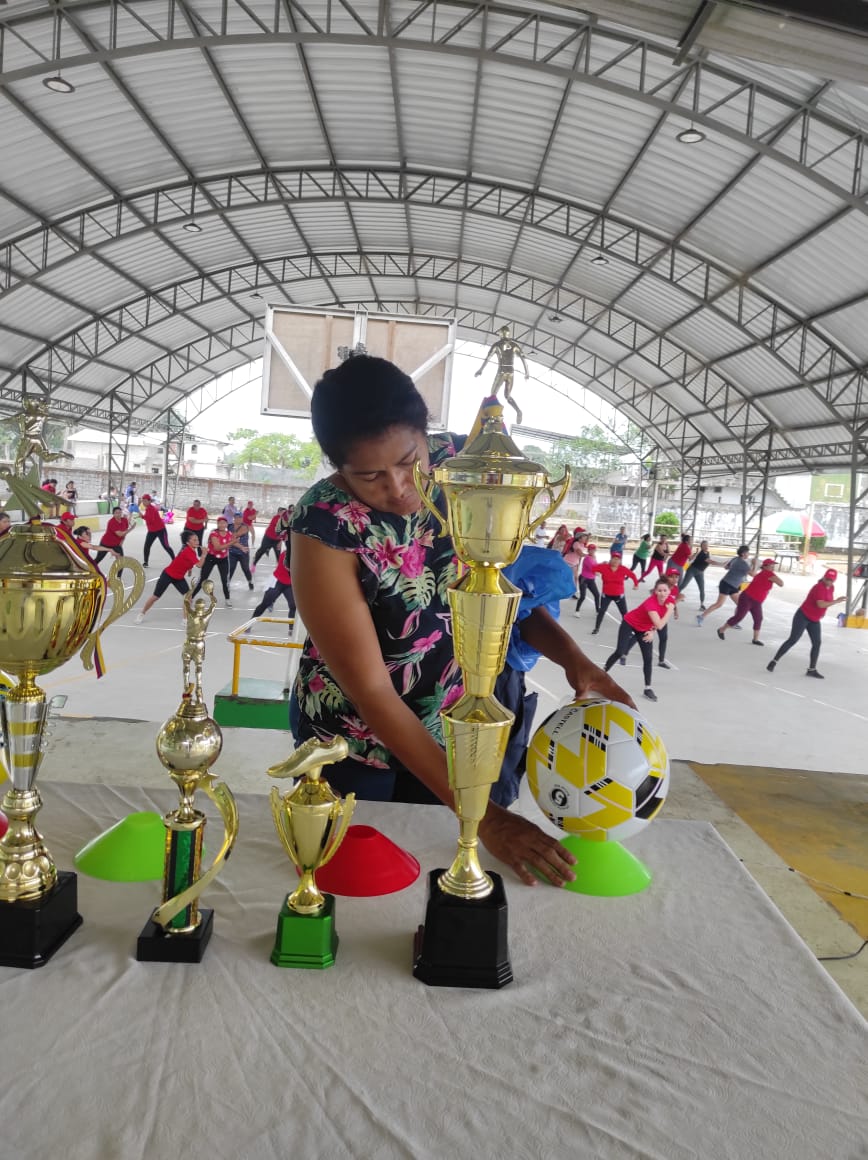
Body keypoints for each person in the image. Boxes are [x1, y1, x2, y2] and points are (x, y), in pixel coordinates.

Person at [289, 354, 632, 888]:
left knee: (438, 872)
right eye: (369, 476)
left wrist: (574, 660)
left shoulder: (463, 466)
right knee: (357, 883)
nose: (398, 487)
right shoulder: (325, 524)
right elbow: (372, 691)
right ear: (337, 467)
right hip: (351, 739)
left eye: (409, 461)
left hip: (451, 728)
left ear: (426, 436)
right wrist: (484, 816)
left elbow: (496, 589)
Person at [602, 578, 674, 702]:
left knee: (648, 658)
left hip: (644, 629)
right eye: (659, 590)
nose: (662, 593)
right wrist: (670, 610)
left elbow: (658, 622)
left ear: (669, 591)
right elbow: (660, 624)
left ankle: (648, 688)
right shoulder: (651, 604)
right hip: (629, 623)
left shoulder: (670, 601)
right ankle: (602, 673)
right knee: (620, 651)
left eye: (665, 590)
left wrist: (652, 631)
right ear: (655, 592)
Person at [766, 568, 845, 679]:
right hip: (803, 616)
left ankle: (811, 670)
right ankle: (774, 661)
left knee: (817, 643)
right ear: (824, 577)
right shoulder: (818, 587)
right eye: (827, 579)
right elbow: (820, 604)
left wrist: (823, 612)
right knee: (793, 639)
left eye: (831, 580)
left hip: (814, 619)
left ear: (834, 580)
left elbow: (826, 602)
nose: (829, 581)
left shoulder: (831, 588)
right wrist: (836, 601)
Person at [136, 534, 205, 622]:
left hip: (178, 577)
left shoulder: (191, 551)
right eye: (194, 540)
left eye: (197, 540)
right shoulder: (188, 551)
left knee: (188, 597)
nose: (197, 542)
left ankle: (185, 619)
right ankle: (142, 613)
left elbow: (187, 561)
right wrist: (204, 554)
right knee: (155, 596)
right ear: (188, 543)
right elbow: (199, 565)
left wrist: (189, 569)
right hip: (167, 575)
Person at [716, 558, 782, 645]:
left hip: (757, 601)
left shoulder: (765, 573)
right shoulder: (768, 573)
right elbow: (781, 583)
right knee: (739, 617)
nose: (773, 567)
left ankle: (755, 639)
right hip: (747, 598)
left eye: (773, 565)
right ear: (765, 566)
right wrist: (774, 577)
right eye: (771, 565)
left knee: (758, 618)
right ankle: (722, 629)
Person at [697, 545, 754, 625]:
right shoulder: (743, 563)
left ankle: (734, 622)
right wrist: (754, 564)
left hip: (733, 586)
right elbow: (753, 574)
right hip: (727, 584)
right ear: (743, 553)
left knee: (740, 604)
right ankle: (701, 616)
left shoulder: (735, 559)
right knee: (719, 604)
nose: (749, 554)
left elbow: (726, 567)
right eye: (748, 552)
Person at [190, 516, 236, 607]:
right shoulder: (214, 533)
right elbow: (217, 547)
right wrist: (232, 542)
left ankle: (227, 598)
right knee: (203, 578)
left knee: (225, 580)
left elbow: (234, 541)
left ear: (227, 524)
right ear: (217, 524)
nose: (222, 525)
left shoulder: (229, 533)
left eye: (224, 523)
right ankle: (191, 597)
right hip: (211, 558)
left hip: (223, 559)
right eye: (220, 523)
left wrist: (241, 547)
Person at [591, 550, 638, 635]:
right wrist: (599, 566)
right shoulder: (604, 567)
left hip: (619, 595)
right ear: (611, 559)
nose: (616, 560)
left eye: (618, 559)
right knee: (602, 611)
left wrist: (636, 584)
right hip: (606, 595)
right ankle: (596, 628)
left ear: (620, 561)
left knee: (624, 614)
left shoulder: (623, 569)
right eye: (614, 558)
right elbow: (593, 568)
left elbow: (633, 575)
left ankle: (628, 631)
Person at [250, 547, 296, 622]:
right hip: (277, 581)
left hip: (290, 584)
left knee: (293, 606)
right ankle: (250, 623)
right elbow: (289, 568)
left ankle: (291, 628)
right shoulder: (285, 554)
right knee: (265, 604)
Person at [656, 568, 684, 670]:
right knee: (641, 635)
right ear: (667, 578)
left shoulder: (675, 589)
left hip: (663, 617)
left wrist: (676, 610)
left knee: (663, 638)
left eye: (676, 577)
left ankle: (661, 661)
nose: (674, 579)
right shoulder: (662, 588)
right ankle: (623, 653)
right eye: (671, 577)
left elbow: (672, 601)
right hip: (654, 616)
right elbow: (664, 602)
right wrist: (678, 600)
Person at [140, 493, 175, 567]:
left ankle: (174, 560)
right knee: (147, 546)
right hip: (152, 531)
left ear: (149, 501)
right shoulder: (148, 508)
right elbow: (147, 518)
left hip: (160, 530)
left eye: (145, 501)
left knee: (166, 546)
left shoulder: (152, 508)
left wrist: (142, 516)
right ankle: (146, 562)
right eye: (143, 501)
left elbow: (151, 520)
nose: (143, 502)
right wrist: (142, 516)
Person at [679, 539, 715, 608]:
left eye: (707, 545)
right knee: (684, 585)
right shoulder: (700, 554)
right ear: (701, 546)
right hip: (692, 570)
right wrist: (721, 564)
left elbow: (711, 560)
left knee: (702, 588)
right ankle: (673, 595)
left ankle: (702, 604)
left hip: (700, 572)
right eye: (704, 545)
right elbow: (710, 561)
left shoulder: (708, 553)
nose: (706, 546)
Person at [573, 543, 600, 618]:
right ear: (588, 550)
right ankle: (577, 611)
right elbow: (593, 569)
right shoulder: (587, 558)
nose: (592, 551)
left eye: (594, 550)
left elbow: (596, 566)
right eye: (591, 550)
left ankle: (598, 611)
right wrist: (598, 572)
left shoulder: (594, 557)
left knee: (597, 595)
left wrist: (602, 566)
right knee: (583, 596)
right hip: (584, 579)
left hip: (591, 580)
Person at [228, 515, 254, 590]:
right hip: (232, 553)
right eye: (236, 517)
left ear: (242, 519)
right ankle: (227, 582)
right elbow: (229, 539)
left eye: (240, 517)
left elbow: (236, 535)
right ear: (234, 518)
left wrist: (230, 538)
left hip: (243, 553)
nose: (238, 519)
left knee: (246, 569)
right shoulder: (230, 526)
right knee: (231, 569)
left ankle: (250, 581)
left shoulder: (245, 526)